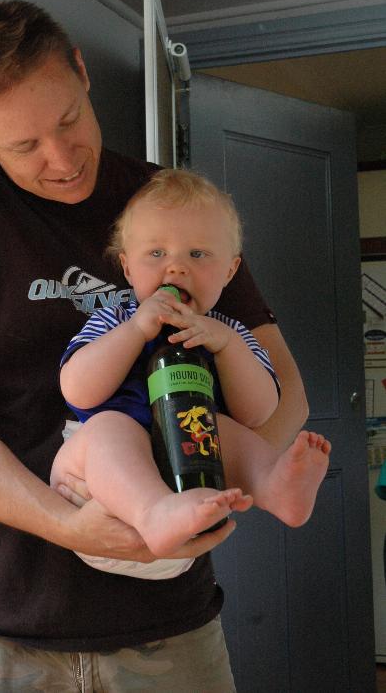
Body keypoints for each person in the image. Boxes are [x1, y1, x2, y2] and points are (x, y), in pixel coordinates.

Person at [0, 0, 310, 692]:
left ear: (80, 70)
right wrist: (72, 526)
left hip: (170, 622)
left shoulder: (166, 205)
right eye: (24, 146)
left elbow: (282, 385)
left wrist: (244, 475)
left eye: (69, 119)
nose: (61, 158)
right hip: (4, 630)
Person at [53, 169, 330, 580]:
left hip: (189, 486)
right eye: (157, 254)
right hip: (97, 498)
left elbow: (260, 413)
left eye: (198, 255)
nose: (176, 269)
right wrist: (135, 331)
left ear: (230, 272)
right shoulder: (116, 319)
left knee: (222, 428)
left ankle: (274, 487)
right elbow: (77, 389)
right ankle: (152, 509)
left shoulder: (229, 332)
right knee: (111, 428)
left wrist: (228, 347)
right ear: (127, 269)